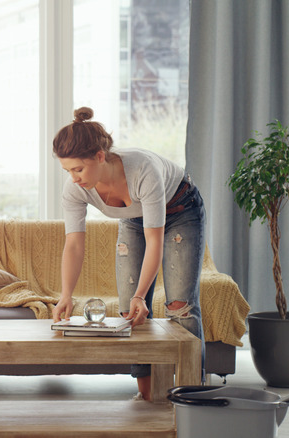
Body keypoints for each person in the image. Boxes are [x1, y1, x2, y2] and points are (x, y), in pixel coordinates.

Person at [51, 107, 206, 401]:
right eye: (67, 171)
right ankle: (148, 397)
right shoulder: (75, 189)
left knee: (179, 306)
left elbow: (155, 241)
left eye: (78, 169)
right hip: (135, 220)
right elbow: (73, 244)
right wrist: (66, 294)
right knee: (128, 313)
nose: (73, 178)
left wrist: (141, 294)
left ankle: (193, 399)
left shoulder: (142, 169)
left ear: (99, 155)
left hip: (180, 209)